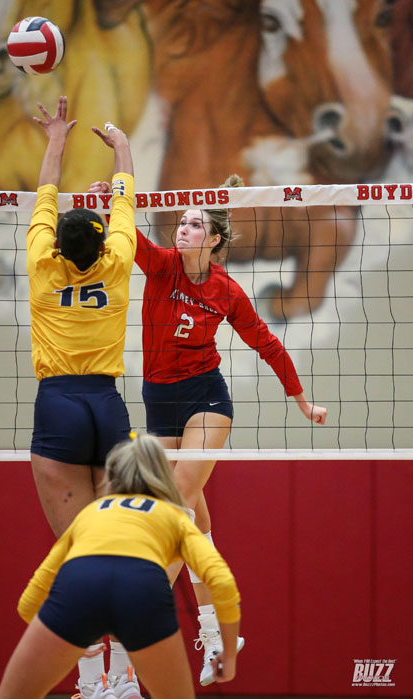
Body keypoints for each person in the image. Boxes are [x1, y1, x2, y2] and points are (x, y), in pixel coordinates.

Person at [88, 173, 328, 686]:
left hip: (206, 398)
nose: (183, 228)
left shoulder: (225, 290)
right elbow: (127, 234)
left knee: (175, 504)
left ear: (214, 239)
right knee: (193, 519)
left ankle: (131, 635)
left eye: (195, 224)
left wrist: (301, 400)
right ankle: (215, 633)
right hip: (159, 401)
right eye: (182, 222)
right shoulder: (161, 264)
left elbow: (267, 344)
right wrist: (110, 203)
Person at [28, 97, 139, 697]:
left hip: (58, 406)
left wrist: (55, 138)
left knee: (77, 554)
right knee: (118, 548)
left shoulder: (41, 267)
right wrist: (121, 145)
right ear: (99, 247)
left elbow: (45, 194)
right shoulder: (118, 262)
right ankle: (123, 679)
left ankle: (91, 681)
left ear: (57, 247)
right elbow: (124, 199)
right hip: (107, 405)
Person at [0, 435, 241, 699]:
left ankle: (100, 685)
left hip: (79, 593)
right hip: (141, 595)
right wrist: (227, 654)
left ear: (110, 482)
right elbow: (223, 583)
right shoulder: (174, 518)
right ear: (164, 482)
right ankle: (124, 683)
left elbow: (29, 603)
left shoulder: (88, 516)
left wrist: (70, 639)